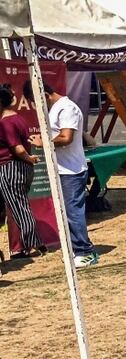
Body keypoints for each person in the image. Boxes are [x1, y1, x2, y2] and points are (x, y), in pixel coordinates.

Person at [24, 81, 97, 267]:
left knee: (74, 212)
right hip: (62, 169)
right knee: (68, 213)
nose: (36, 106)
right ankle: (77, 248)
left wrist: (44, 142)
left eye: (37, 100)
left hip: (71, 170)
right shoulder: (56, 108)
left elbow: (66, 137)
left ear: (45, 95)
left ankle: (85, 251)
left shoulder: (66, 108)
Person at [0, 83, 43, 260]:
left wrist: (28, 158)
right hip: (22, 169)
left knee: (19, 208)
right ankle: (32, 243)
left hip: (11, 167)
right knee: (20, 206)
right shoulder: (18, 118)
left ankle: (32, 244)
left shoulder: (5, 123)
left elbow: (17, 148)